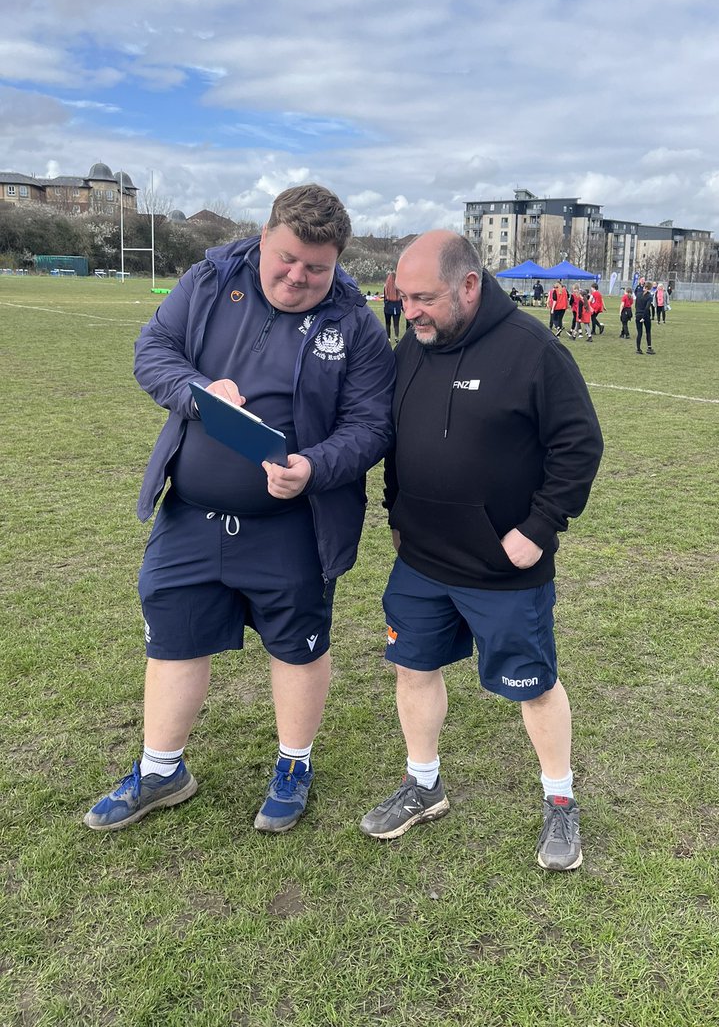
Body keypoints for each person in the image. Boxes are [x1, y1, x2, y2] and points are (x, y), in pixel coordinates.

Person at [84, 184, 395, 834]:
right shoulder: (209, 280)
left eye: (317, 268)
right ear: (263, 237)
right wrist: (197, 390)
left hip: (293, 523)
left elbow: (371, 426)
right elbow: (154, 351)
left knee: (298, 649)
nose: (297, 277)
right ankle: (162, 770)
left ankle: (294, 764)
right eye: (287, 258)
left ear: (338, 261)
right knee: (174, 639)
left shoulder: (356, 323)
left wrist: (313, 468)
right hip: (189, 515)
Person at [359, 232, 603, 871]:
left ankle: (560, 800)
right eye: (404, 297)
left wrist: (539, 528)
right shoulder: (412, 349)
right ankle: (424, 784)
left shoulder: (533, 351)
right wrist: (395, 511)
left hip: (503, 567)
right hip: (421, 560)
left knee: (534, 685)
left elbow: (579, 444)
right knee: (413, 668)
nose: (410, 311)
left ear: (469, 285)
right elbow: (398, 439)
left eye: (425, 298)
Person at [633, 282, 655, 354]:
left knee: (639, 332)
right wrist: (643, 317)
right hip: (645, 315)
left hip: (638, 314)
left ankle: (638, 349)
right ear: (650, 288)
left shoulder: (638, 294)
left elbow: (636, 305)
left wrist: (637, 314)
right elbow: (647, 308)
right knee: (648, 332)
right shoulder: (649, 296)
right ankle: (649, 348)